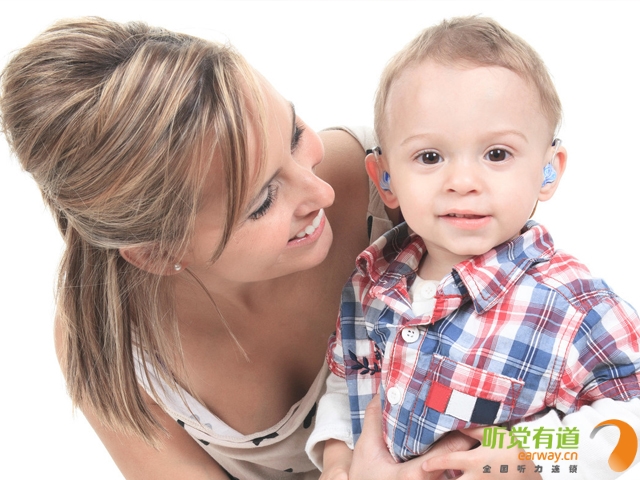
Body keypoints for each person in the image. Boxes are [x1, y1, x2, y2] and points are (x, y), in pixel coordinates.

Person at [0, 16, 484, 480]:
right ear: (157, 253)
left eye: (294, 135)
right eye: (263, 201)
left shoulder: (411, 176)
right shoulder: (108, 342)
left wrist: (517, 457)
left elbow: (532, 409)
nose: (321, 193)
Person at [308, 16, 640, 479]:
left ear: (548, 171)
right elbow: (350, 378)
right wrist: (338, 458)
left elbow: (631, 427)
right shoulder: (372, 282)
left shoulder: (573, 306)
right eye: (430, 157)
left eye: (497, 154)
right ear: (386, 179)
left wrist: (533, 456)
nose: (462, 182)